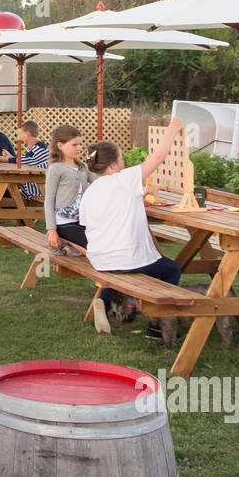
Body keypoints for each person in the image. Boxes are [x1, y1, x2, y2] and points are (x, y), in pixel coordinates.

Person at [80, 118, 186, 342]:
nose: (124, 161)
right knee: (171, 269)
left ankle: (105, 301)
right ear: (112, 166)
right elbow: (156, 158)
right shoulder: (123, 179)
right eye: (121, 158)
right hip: (126, 259)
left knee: (123, 270)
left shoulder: (92, 190)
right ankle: (157, 327)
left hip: (99, 259)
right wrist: (172, 130)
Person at [43, 124, 97, 254]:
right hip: (64, 223)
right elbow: (48, 201)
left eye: (80, 144)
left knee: (101, 246)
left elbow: (99, 182)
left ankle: (69, 245)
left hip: (82, 222)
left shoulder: (82, 166)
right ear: (60, 145)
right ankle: (62, 239)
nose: (79, 148)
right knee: (94, 252)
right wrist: (52, 231)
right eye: (74, 145)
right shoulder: (55, 169)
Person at [18, 120, 49, 201]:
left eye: (22, 134)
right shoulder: (37, 147)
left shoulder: (40, 148)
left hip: (37, 189)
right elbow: (26, 159)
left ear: (27, 134)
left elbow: (25, 161)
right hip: (35, 184)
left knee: (10, 191)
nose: (21, 137)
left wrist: (4, 159)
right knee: (10, 191)